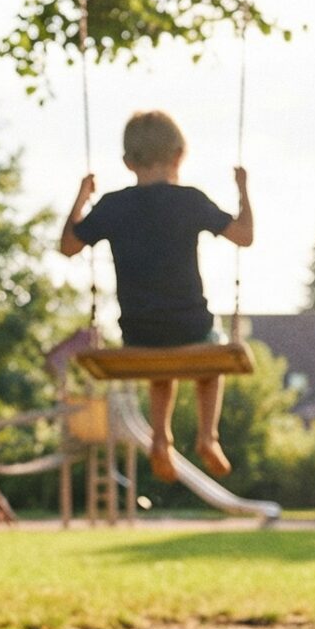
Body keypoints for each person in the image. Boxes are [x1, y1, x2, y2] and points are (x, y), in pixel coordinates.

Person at [60, 110, 255, 483]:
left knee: (160, 363)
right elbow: (244, 236)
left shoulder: (113, 205)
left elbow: (69, 245)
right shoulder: (190, 200)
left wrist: (81, 197)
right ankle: (207, 436)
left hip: (138, 331)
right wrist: (243, 188)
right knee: (211, 356)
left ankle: (161, 437)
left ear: (127, 162)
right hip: (191, 325)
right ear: (179, 155)